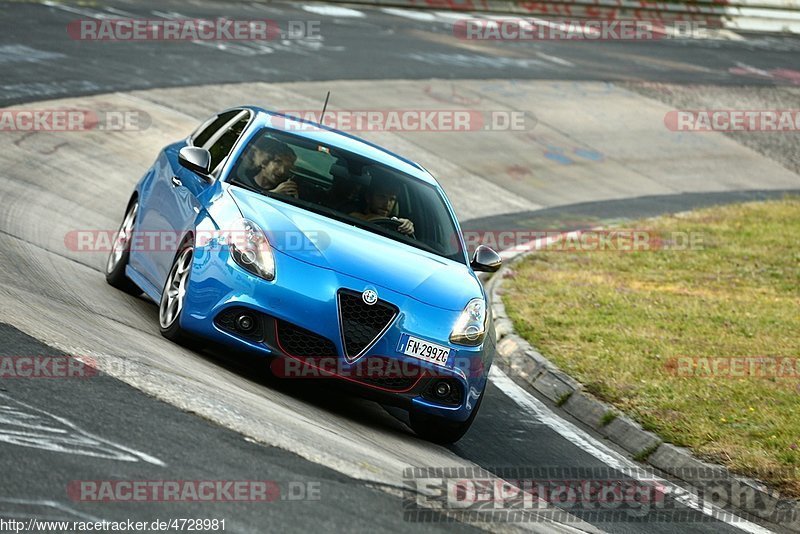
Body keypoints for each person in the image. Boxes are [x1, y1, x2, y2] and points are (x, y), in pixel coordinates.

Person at [350, 176, 415, 236]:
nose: (387, 204)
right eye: (382, 197)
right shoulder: (354, 217)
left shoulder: (395, 225)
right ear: (368, 198)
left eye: (392, 199)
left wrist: (406, 226)